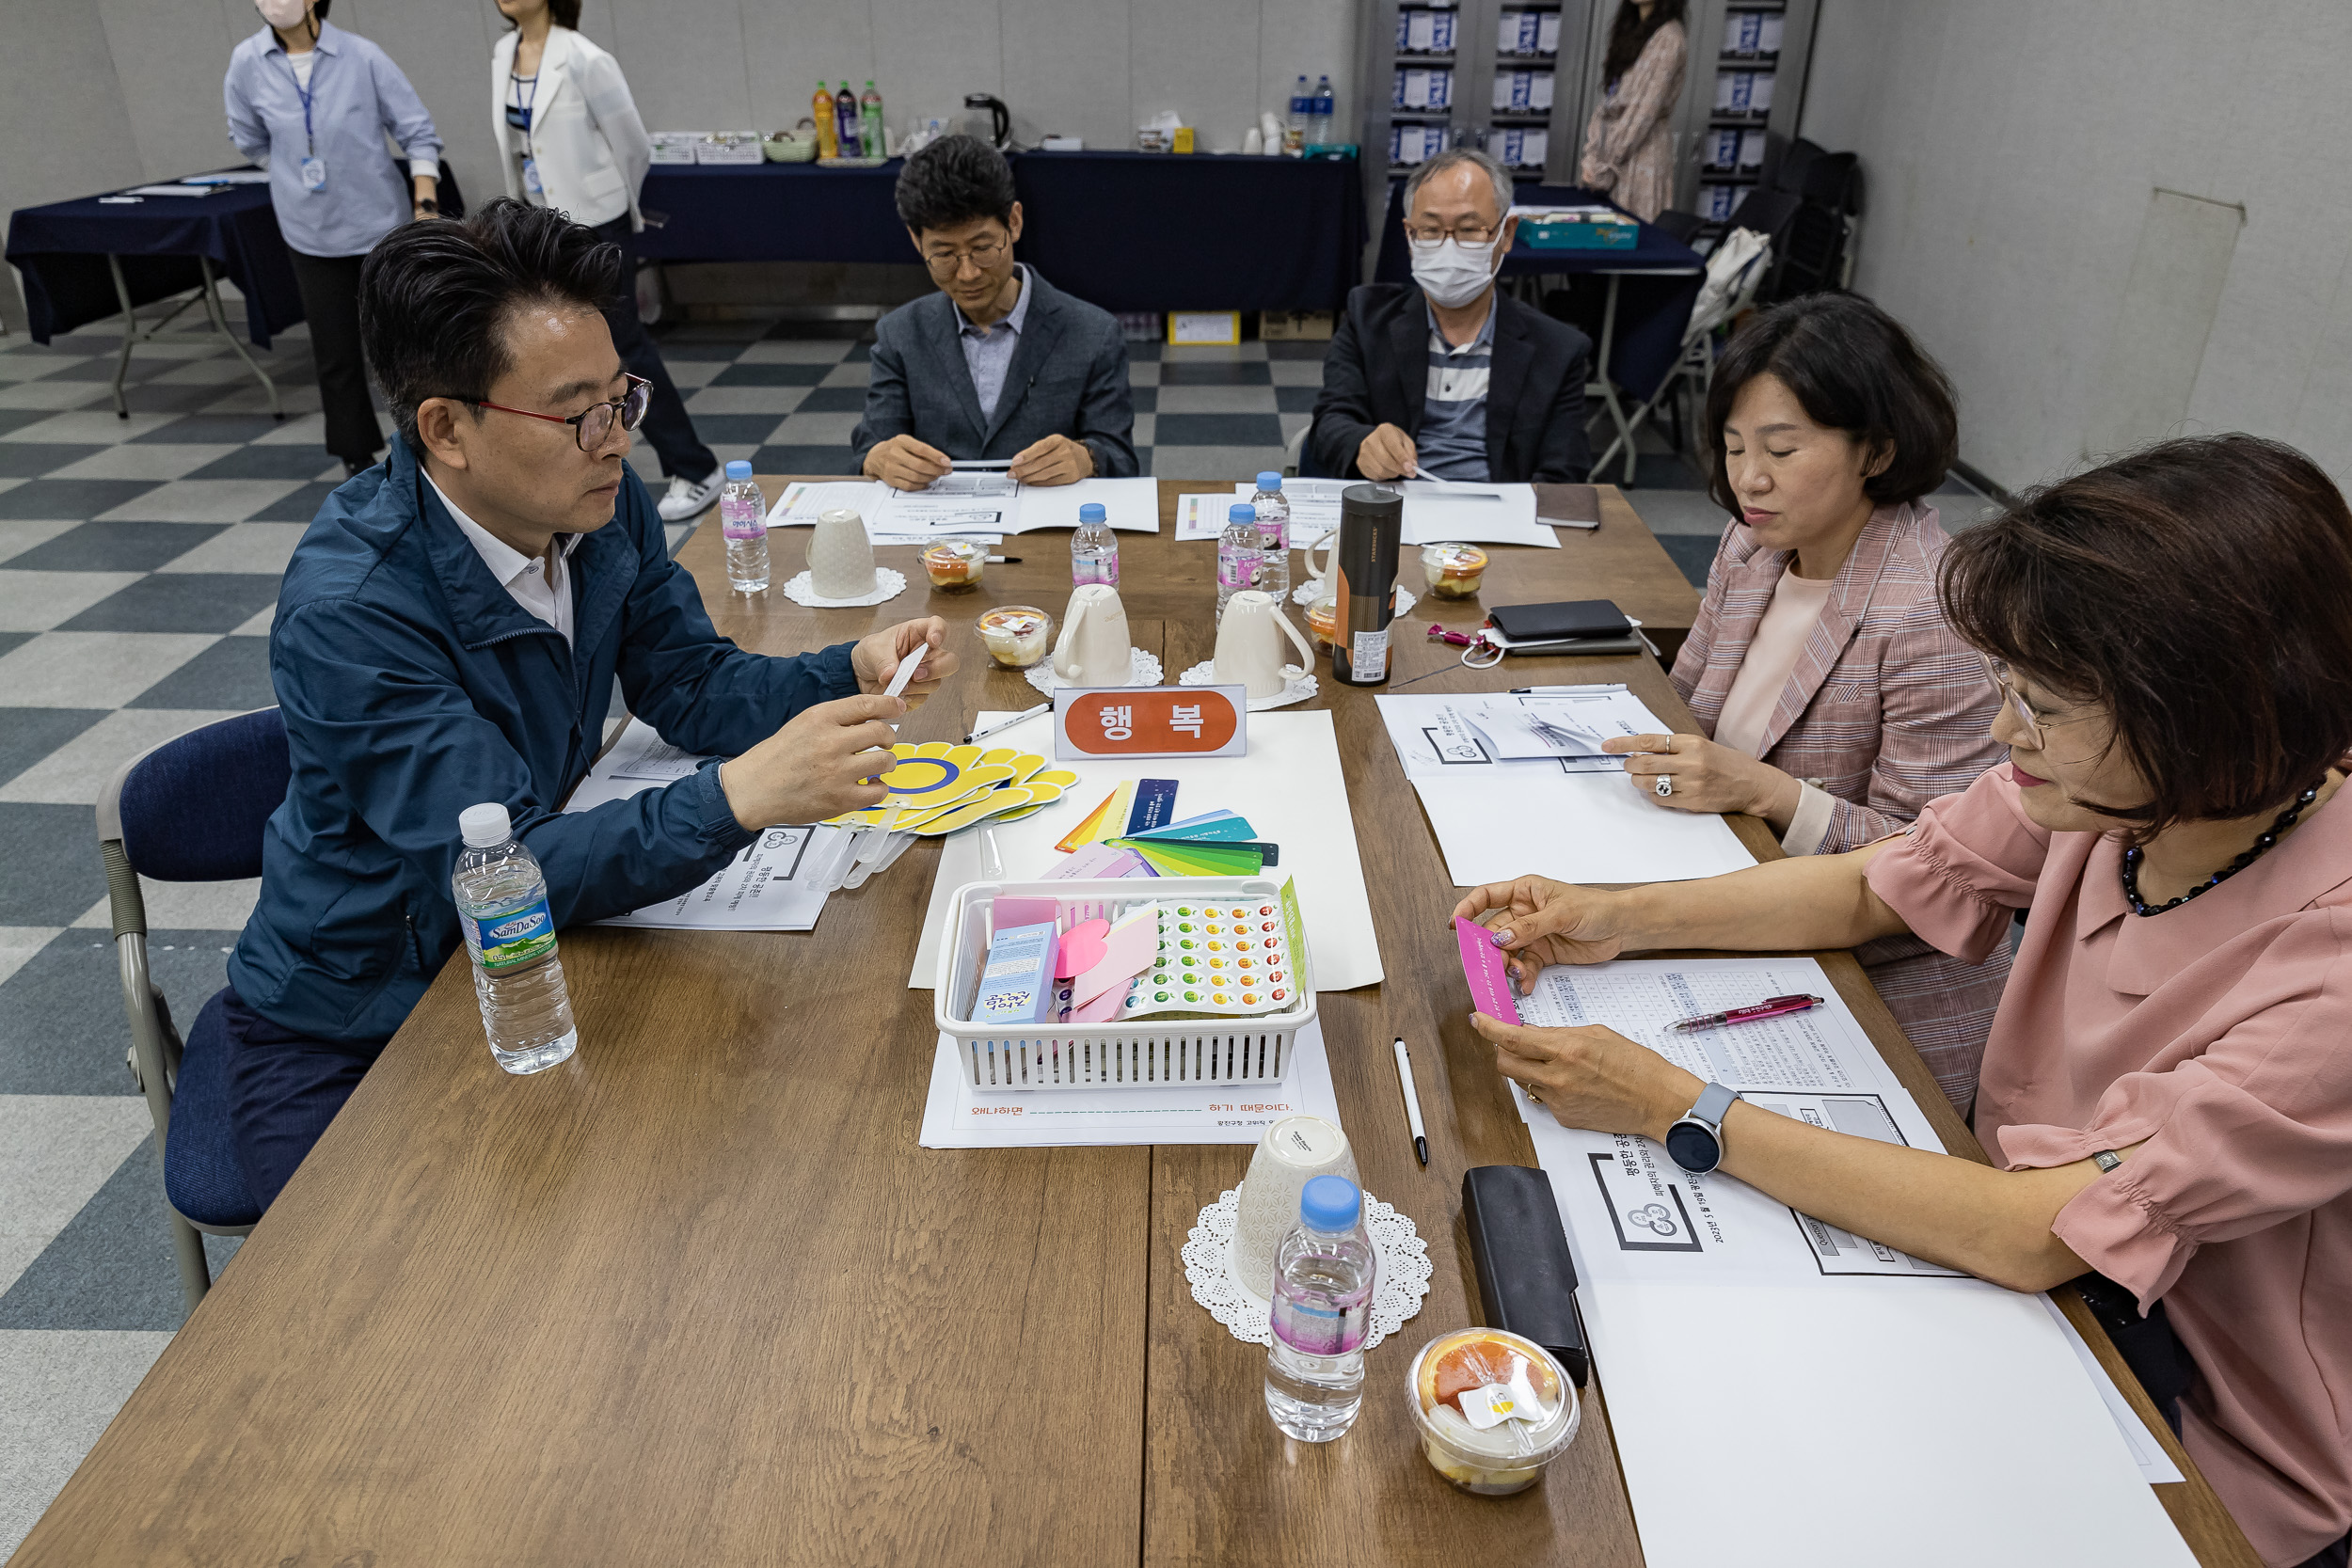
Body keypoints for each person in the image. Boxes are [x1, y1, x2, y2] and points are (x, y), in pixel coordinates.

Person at [1456, 436, 2352, 1568]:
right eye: (2010, 689)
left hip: (2192, 1423)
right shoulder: (2124, 789)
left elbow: (2041, 1235)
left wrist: (1677, 1104)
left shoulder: (2329, 958)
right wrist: (1616, 912)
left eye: (2044, 705)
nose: (2003, 733)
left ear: (2206, 709)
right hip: (2001, 1269)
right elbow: (1872, 884)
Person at [212, 200, 959, 1209]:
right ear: (447, 428)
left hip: (534, 966)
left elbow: (688, 681)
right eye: (579, 414)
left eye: (624, 397)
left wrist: (845, 668)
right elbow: (505, 865)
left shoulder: (600, 510)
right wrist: (737, 797)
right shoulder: (352, 608)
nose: (617, 440)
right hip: (361, 1009)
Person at [1604, 293, 2008, 1106]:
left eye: (1782, 450)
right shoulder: (1754, 544)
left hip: (1869, 982)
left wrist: (1766, 791)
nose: (1747, 479)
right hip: (1734, 891)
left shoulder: (1932, 609)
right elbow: (1687, 712)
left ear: (1877, 450)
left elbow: (1930, 863)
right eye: (1732, 447)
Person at [490, 0, 722, 525]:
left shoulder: (585, 57)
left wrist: (611, 205)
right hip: (537, 225)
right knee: (554, 354)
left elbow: (633, 146)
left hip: (595, 223)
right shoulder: (504, 52)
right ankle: (575, 468)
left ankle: (696, 468)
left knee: (625, 350)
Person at [225, 0, 441, 476]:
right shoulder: (246, 62)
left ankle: (433, 447)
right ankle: (356, 457)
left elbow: (418, 132)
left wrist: (425, 202)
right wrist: (292, 173)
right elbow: (249, 139)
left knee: (406, 347)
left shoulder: (362, 56)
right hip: (309, 231)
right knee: (335, 350)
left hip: (379, 227)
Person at [852, 135, 1137, 490]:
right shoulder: (900, 334)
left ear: (1014, 223)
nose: (968, 273)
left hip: (1044, 531)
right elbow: (869, 448)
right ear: (916, 240)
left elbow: (1121, 458)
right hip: (936, 540)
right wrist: (879, 458)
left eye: (983, 248)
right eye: (943, 255)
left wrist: (1087, 457)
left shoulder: (1092, 333)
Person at [1311, 147, 1591, 484]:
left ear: (1506, 234)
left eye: (1469, 230)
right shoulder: (1367, 318)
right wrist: (1362, 444)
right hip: (1394, 512)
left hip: (1498, 524)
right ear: (1409, 236)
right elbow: (1329, 424)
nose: (1449, 247)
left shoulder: (1558, 350)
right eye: (1429, 231)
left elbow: (1564, 473)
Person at [1577, 0, 1687, 222]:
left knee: (1630, 235)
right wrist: (1594, 155)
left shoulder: (1669, 37)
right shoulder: (1631, 29)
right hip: (1612, 153)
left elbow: (1642, 114)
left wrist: (1605, 166)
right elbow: (1609, 103)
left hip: (1641, 152)